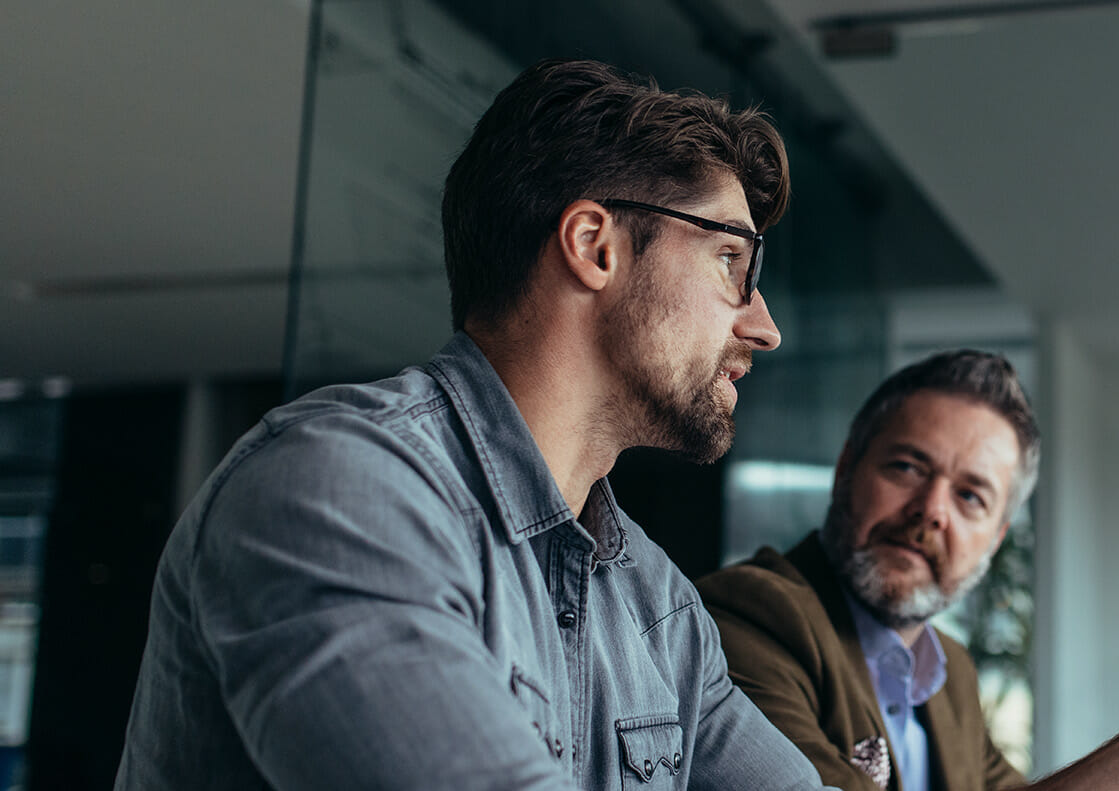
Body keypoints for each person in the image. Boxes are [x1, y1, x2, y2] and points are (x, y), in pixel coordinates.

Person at [116, 58, 820, 790]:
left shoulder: (655, 609)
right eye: (730, 259)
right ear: (595, 246)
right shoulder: (339, 490)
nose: (763, 326)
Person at [697, 350, 1119, 791]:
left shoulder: (949, 673)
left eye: (970, 497)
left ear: (995, 538)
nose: (931, 511)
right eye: (907, 468)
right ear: (845, 470)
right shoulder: (749, 618)